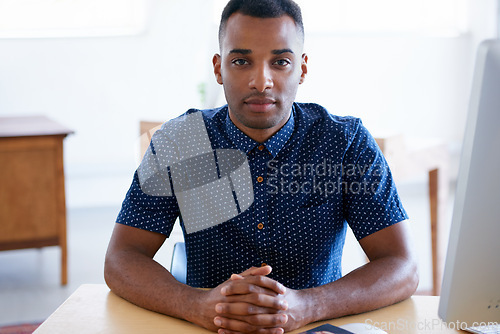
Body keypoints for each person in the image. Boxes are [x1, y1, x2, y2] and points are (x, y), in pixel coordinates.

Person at [104, 0, 419, 333]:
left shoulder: (344, 142)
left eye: (281, 62)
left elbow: (402, 265)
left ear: (302, 68)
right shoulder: (182, 142)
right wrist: (193, 304)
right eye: (241, 61)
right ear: (218, 68)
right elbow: (122, 257)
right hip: (208, 327)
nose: (261, 81)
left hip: (315, 326)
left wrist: (309, 305)